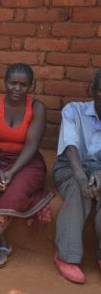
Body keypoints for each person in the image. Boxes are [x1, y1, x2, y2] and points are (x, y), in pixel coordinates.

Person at [0, 63, 54, 276]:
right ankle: (3, 243)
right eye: (13, 83)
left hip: (27, 163)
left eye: (23, 85)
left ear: (30, 86)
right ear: (5, 83)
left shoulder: (37, 108)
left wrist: (11, 172)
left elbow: (32, 146)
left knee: (13, 191)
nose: (17, 88)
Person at [52, 70, 101, 284]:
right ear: (92, 91)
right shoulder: (73, 111)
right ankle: (66, 257)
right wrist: (82, 178)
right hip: (70, 168)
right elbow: (70, 146)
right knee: (78, 190)